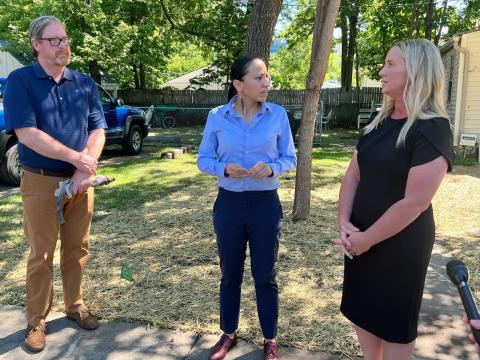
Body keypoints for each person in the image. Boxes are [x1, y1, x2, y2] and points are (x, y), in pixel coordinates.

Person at [333, 38, 454, 360]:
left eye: (391, 64)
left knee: (395, 320)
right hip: (358, 237)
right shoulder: (379, 123)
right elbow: (353, 175)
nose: (382, 71)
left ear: (415, 72)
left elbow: (415, 202)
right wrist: (344, 223)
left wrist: (366, 240)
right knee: (363, 309)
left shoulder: (432, 129)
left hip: (400, 244)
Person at [4, 16, 107, 352]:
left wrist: (83, 169)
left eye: (65, 39)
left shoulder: (84, 83)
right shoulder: (21, 81)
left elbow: (97, 129)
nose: (64, 45)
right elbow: (27, 135)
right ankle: (36, 321)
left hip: (80, 184)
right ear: (36, 44)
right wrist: (77, 160)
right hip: (41, 182)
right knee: (41, 254)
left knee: (77, 249)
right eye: (55, 40)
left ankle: (75, 306)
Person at [197, 56, 296, 360]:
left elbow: (290, 158)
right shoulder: (217, 116)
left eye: (267, 77)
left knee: (265, 275)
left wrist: (271, 168)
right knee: (230, 274)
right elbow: (203, 160)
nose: (267, 83)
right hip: (229, 205)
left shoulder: (278, 115)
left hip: (266, 206)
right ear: (238, 85)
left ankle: (270, 339)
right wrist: (225, 169)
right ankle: (228, 334)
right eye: (259, 78)